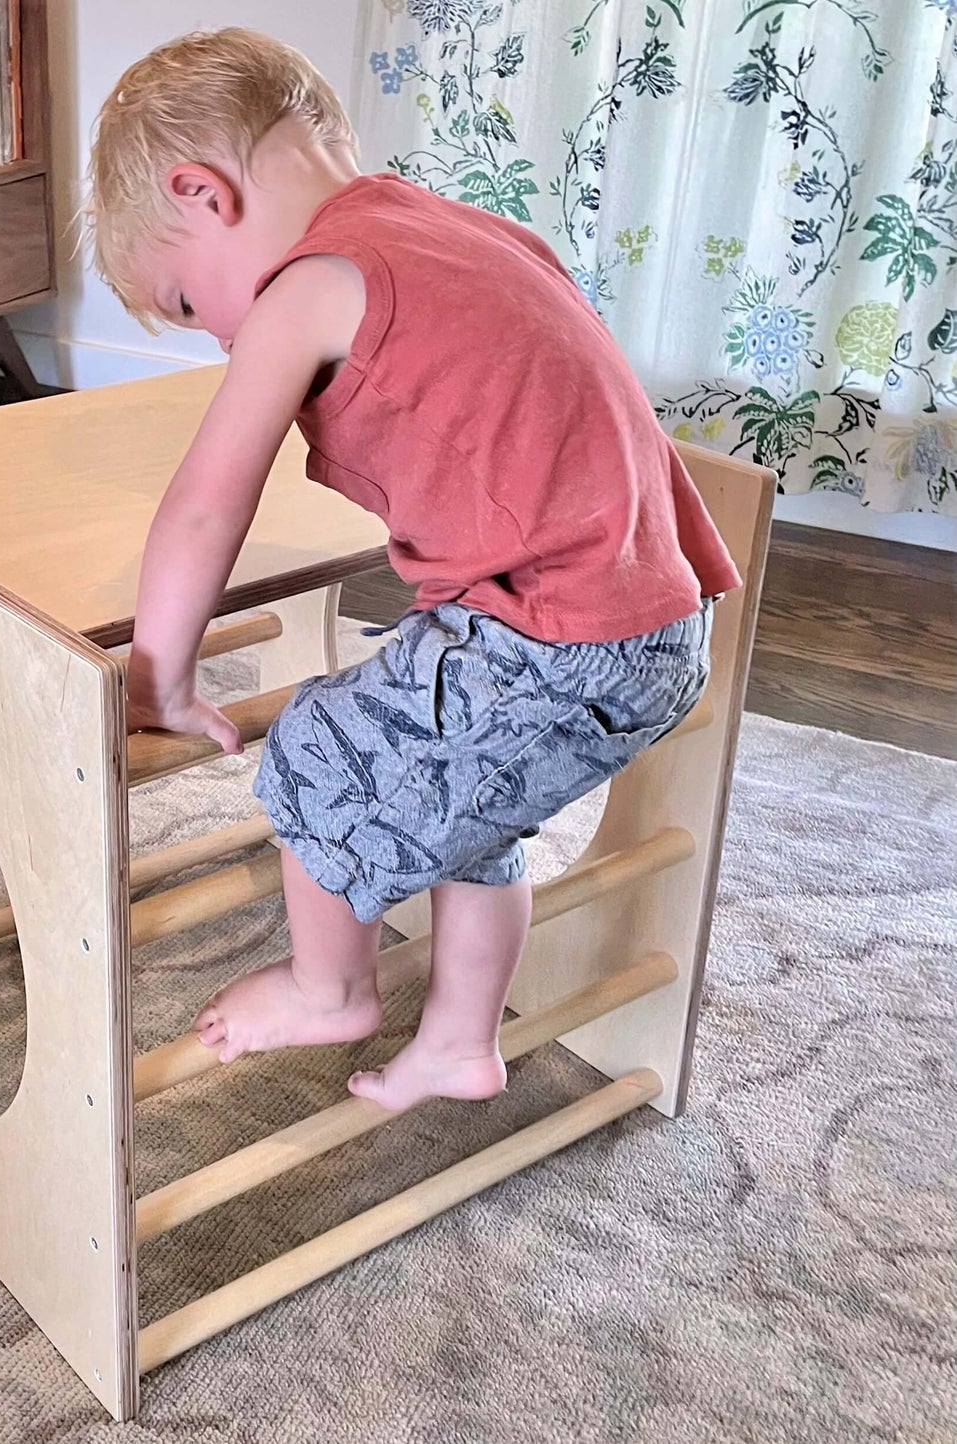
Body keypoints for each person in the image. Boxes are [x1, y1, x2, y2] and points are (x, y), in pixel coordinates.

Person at [84, 27, 740, 1112]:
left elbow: (205, 505)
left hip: (555, 636)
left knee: (316, 746)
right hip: (655, 618)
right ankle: (454, 1042)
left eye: (189, 305)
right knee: (467, 804)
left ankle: (323, 984)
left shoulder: (310, 287)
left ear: (200, 195)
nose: (211, 337)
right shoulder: (462, 228)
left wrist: (159, 678)